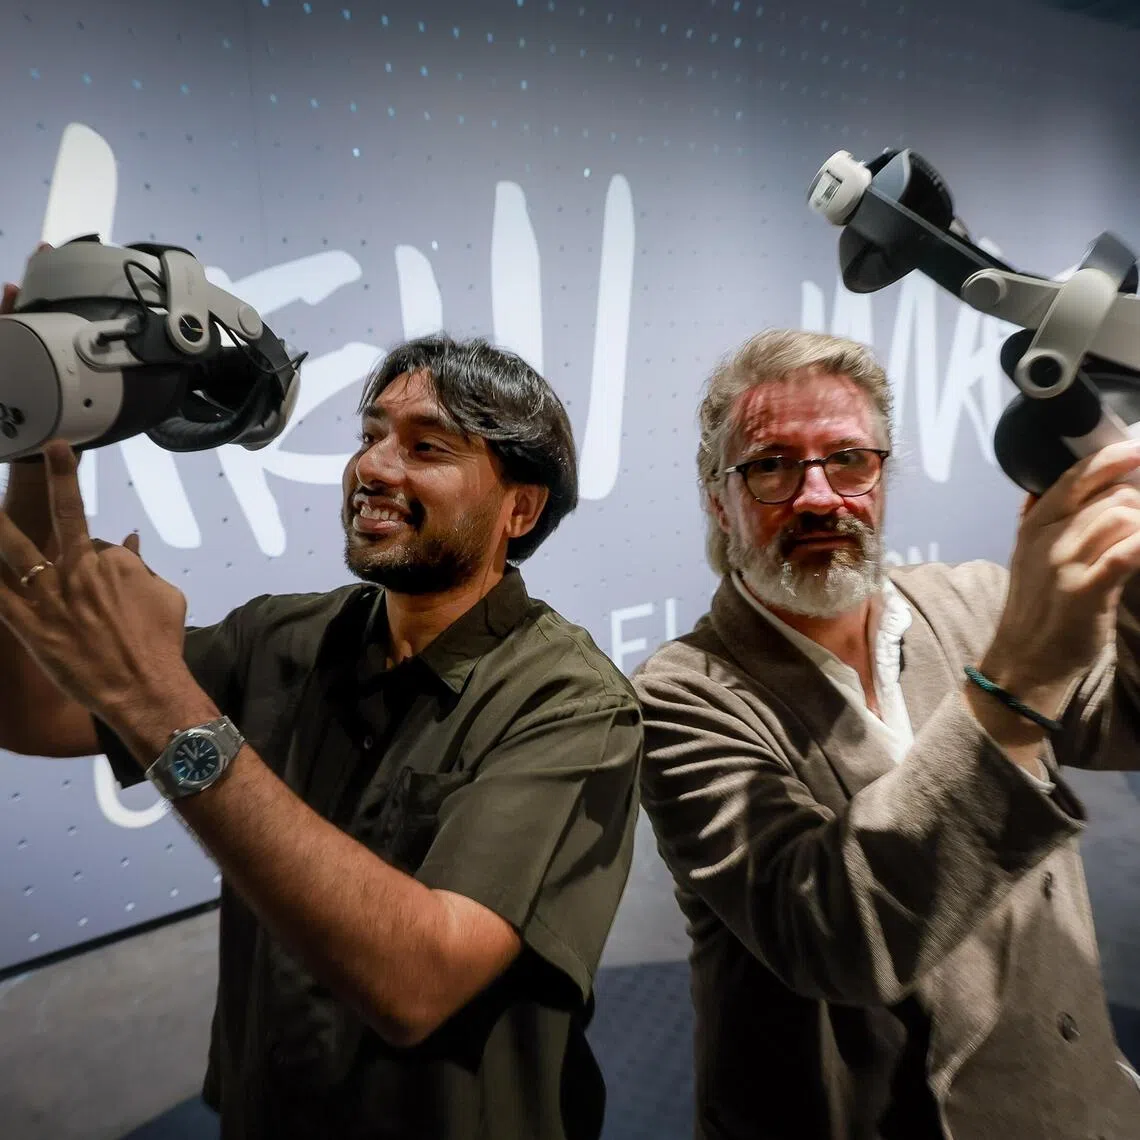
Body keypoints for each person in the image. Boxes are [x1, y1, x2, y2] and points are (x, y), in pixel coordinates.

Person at [0, 282, 643, 1140]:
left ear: (518, 509)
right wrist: (44, 434)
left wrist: (159, 702)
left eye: (428, 446)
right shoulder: (282, 636)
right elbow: (26, 711)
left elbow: (418, 982)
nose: (374, 466)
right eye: (371, 435)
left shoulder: (574, 707)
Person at [633, 327, 1140, 1139]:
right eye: (770, 466)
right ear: (715, 500)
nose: (818, 496)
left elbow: (1132, 723)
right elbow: (834, 935)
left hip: (1072, 1103)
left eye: (848, 461)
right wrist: (1018, 681)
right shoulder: (683, 695)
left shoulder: (976, 602)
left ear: (882, 475)